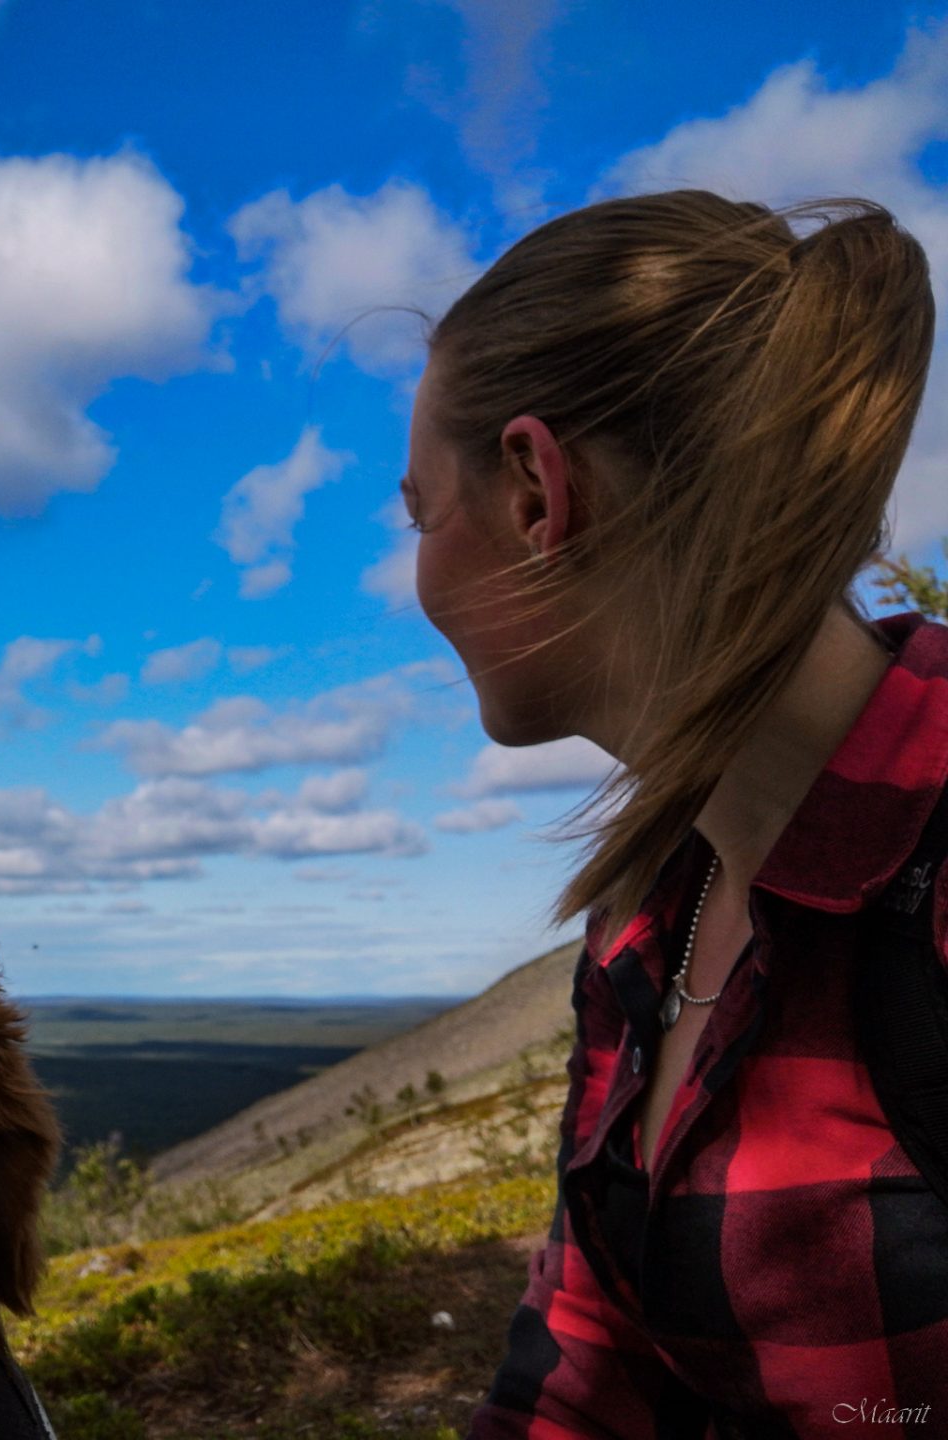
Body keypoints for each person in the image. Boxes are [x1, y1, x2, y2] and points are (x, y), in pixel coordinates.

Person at [399, 188, 946, 1435]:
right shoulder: (649, 912)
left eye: (421, 510)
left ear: (538, 492)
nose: (419, 569)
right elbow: (589, 1355)